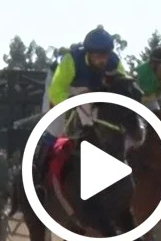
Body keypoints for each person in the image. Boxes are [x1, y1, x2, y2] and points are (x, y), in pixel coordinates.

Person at [32, 26, 128, 190]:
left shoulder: (114, 62)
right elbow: (56, 91)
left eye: (105, 55)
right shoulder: (71, 60)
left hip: (88, 89)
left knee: (97, 123)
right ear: (88, 53)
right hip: (61, 85)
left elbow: (124, 85)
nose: (102, 60)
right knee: (55, 127)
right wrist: (70, 102)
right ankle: (38, 173)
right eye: (97, 55)